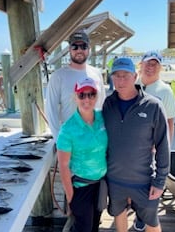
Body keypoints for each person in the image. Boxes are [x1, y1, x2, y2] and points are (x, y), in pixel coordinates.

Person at [45, 29, 106, 231]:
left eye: (83, 46)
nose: (79, 50)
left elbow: (102, 109)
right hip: (70, 147)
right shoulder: (58, 76)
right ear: (69, 49)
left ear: (89, 49)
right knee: (75, 209)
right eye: (75, 46)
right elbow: (51, 112)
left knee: (93, 213)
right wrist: (61, 145)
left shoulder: (96, 73)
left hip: (94, 153)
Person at [102, 57, 170, 232]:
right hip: (114, 179)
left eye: (126, 75)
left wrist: (160, 181)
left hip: (144, 180)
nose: (121, 80)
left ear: (135, 76)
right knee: (119, 214)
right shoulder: (107, 104)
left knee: (152, 222)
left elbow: (163, 145)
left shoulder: (153, 106)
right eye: (116, 75)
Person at [57, 77, 108, 232]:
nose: (87, 99)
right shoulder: (67, 129)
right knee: (83, 228)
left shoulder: (103, 118)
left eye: (91, 94)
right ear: (75, 97)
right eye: (82, 95)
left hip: (100, 185)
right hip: (80, 188)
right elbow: (63, 165)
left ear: (97, 96)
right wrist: (71, 198)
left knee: (94, 226)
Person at [134, 51, 175, 231]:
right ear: (140, 66)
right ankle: (136, 209)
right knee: (133, 180)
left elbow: (170, 122)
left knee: (149, 184)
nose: (150, 67)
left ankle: (143, 216)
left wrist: (164, 148)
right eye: (147, 64)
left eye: (155, 64)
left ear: (160, 67)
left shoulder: (165, 91)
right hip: (132, 146)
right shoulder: (132, 85)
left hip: (152, 148)